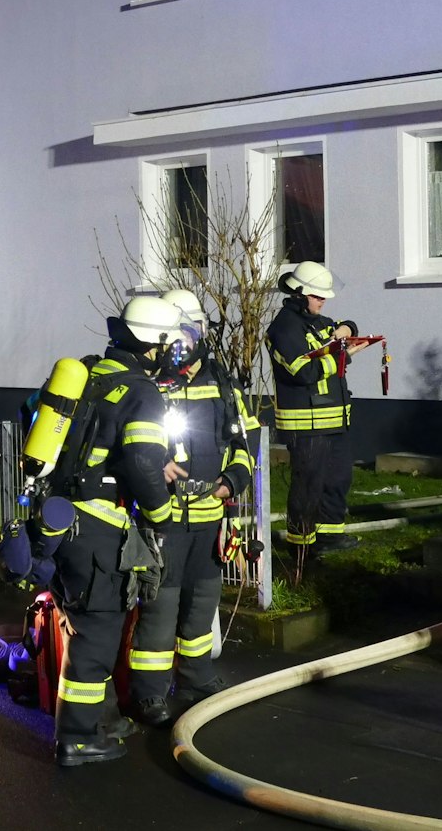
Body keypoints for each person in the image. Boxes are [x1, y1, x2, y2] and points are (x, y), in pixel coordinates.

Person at [41, 296, 179, 767]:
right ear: (154, 343)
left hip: (60, 519)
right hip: (99, 526)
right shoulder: (141, 391)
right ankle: (76, 739)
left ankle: (103, 719)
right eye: (168, 344)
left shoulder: (88, 375)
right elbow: (143, 463)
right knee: (97, 635)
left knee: (88, 624)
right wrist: (161, 514)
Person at [126, 289, 256, 727]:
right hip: (162, 517)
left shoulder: (222, 384)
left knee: (203, 601)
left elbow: (243, 445)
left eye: (192, 330)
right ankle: (149, 693)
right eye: (177, 332)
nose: (184, 340)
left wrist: (230, 482)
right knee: (160, 606)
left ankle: (196, 676)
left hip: (209, 516)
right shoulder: (146, 385)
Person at [267, 260, 371, 557]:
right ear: (299, 294)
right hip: (306, 423)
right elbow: (303, 373)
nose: (322, 301)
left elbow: (345, 326)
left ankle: (329, 535)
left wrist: (347, 328)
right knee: (308, 485)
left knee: (338, 479)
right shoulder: (284, 329)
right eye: (317, 296)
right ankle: (301, 547)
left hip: (333, 419)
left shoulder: (316, 322)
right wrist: (345, 356)